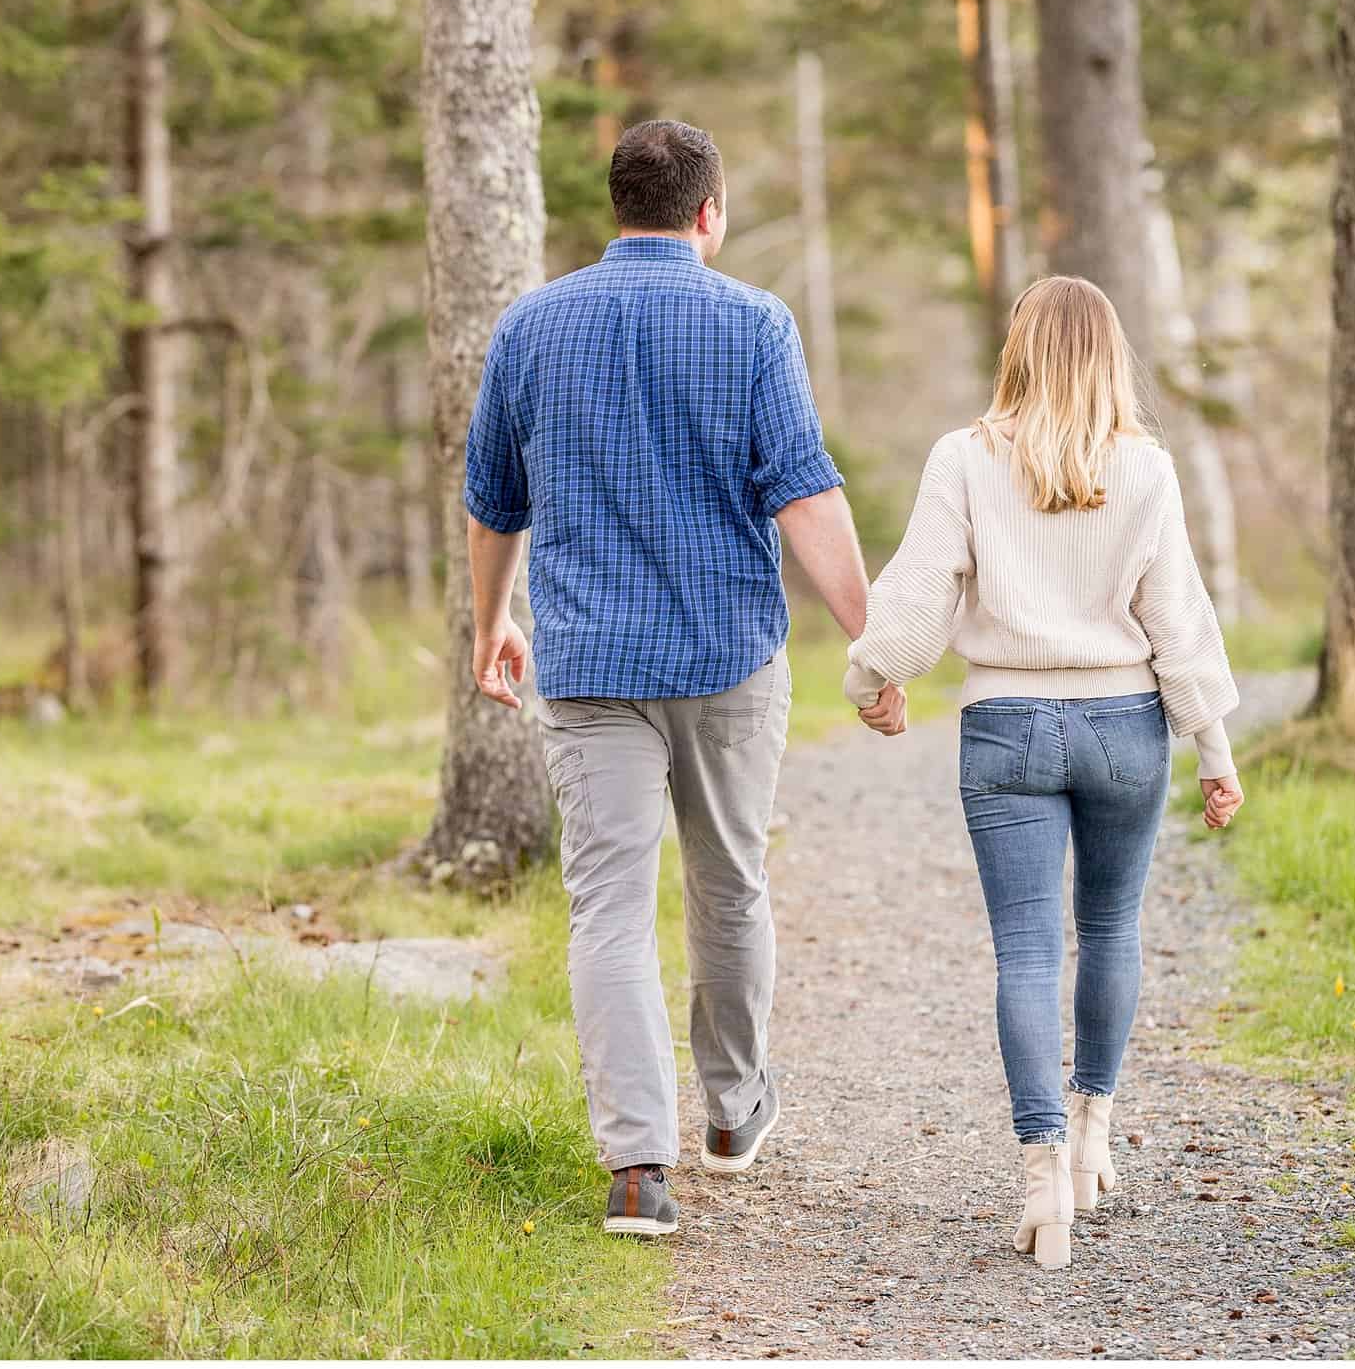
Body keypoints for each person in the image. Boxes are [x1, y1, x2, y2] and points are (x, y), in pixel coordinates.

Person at [462, 119, 871, 1238]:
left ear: (617, 207)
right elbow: (803, 490)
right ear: (709, 213)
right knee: (728, 881)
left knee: (606, 906)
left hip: (590, 665)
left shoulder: (532, 324)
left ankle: (638, 1168)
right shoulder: (754, 322)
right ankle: (733, 1112)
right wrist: (869, 639)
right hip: (730, 658)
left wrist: (492, 624)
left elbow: (494, 500)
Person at [844, 274, 1245, 1272]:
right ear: (1109, 356)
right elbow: (1177, 617)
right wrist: (1215, 750)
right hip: (1124, 724)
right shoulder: (1145, 466)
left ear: (1019, 348)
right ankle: (1095, 1129)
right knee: (1110, 928)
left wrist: (873, 672)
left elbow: (923, 586)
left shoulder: (965, 457)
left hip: (1006, 721)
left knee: (1025, 954)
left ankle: (1042, 1179)